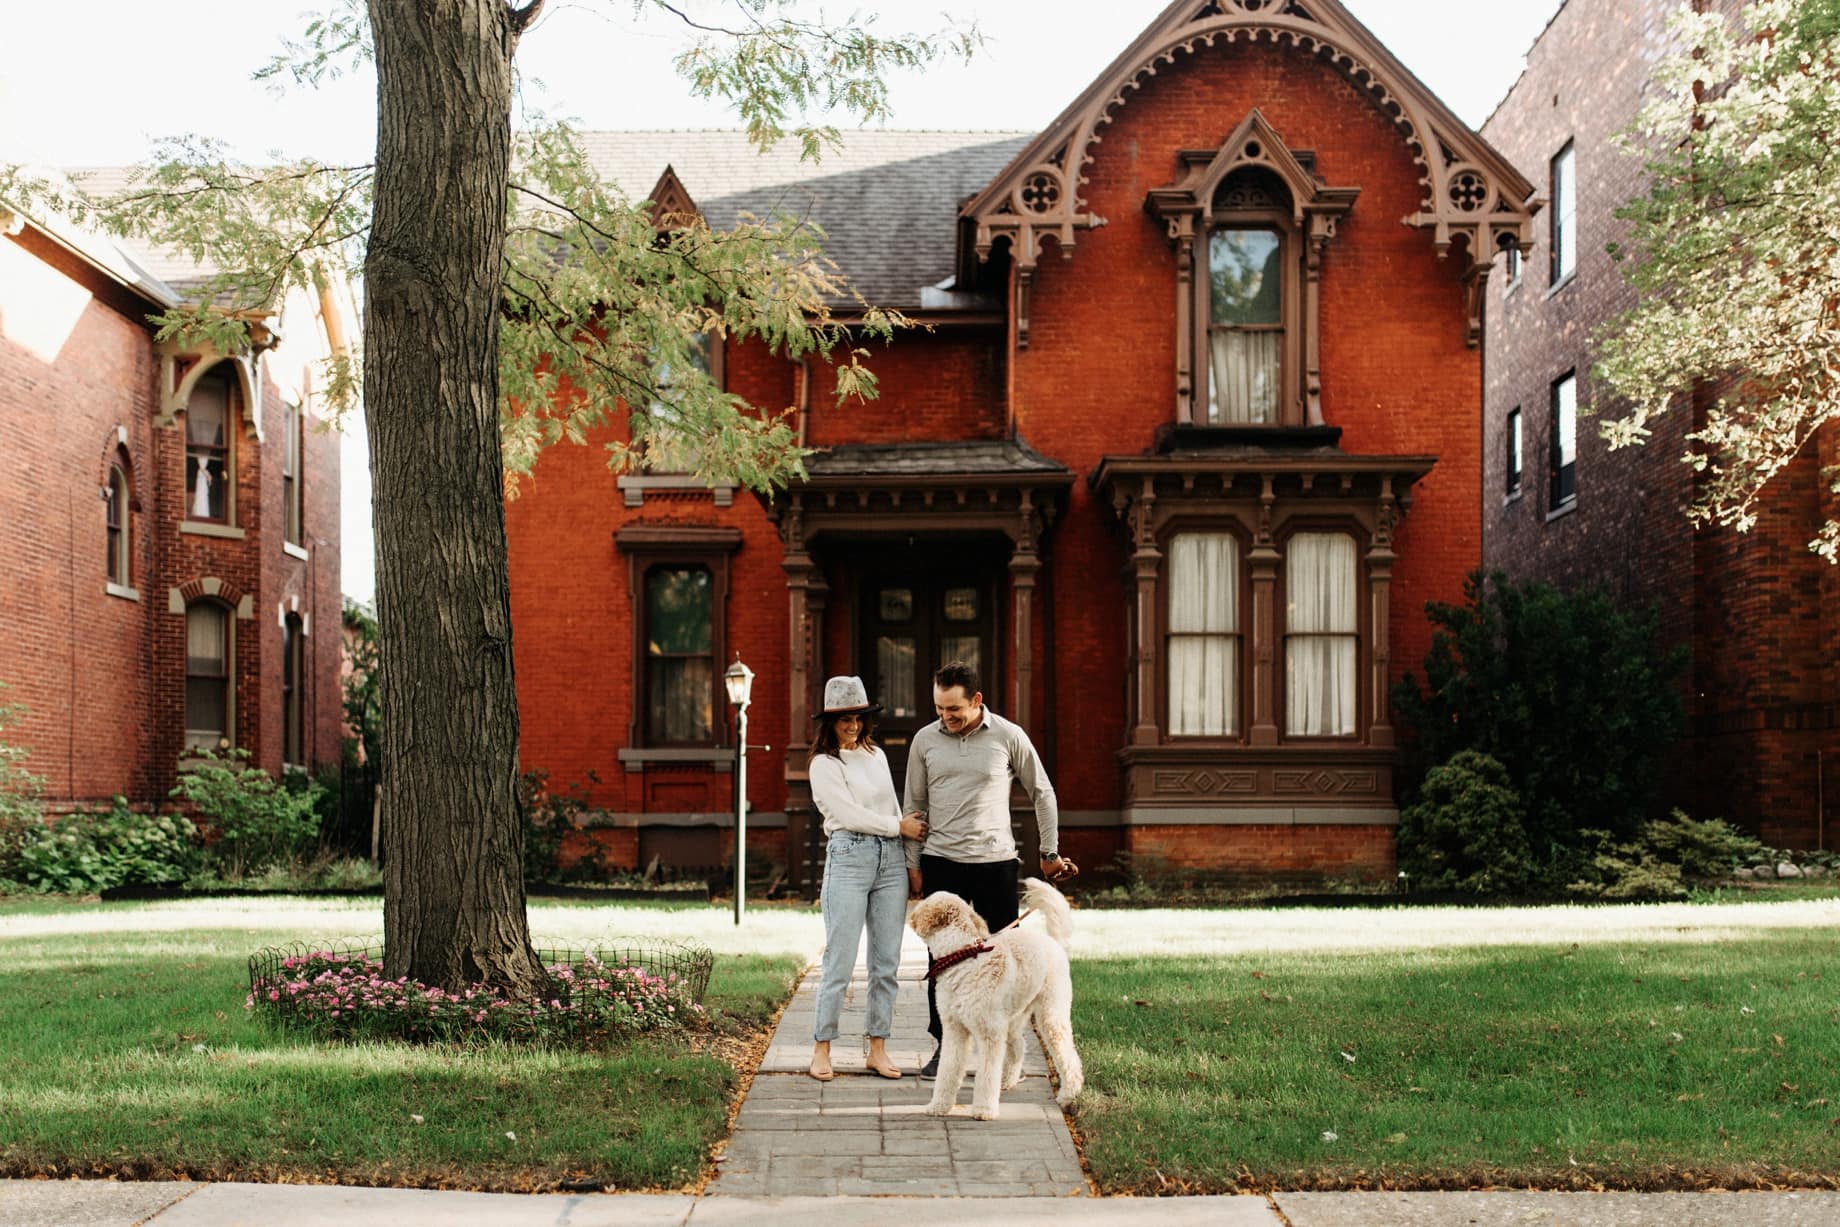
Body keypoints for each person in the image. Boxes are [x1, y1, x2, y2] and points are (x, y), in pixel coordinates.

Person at [903, 660, 1077, 1079]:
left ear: (977, 700)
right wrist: (913, 865)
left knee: (1006, 960)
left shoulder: (1008, 736)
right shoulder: (925, 740)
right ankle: (946, 1048)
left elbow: (1043, 791)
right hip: (942, 862)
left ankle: (1005, 1050)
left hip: (996, 863)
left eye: (954, 709)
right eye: (940, 709)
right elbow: (914, 804)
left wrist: (1049, 852)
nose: (946, 717)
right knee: (944, 962)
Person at [806, 675, 928, 1081]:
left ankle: (878, 1047)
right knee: (839, 960)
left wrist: (910, 863)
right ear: (829, 723)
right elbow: (849, 815)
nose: (853, 726)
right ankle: (822, 1048)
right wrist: (898, 827)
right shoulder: (823, 765)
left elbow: (894, 806)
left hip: (891, 862)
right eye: (844, 720)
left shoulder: (874, 755)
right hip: (849, 857)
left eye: (858, 718)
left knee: (886, 962)